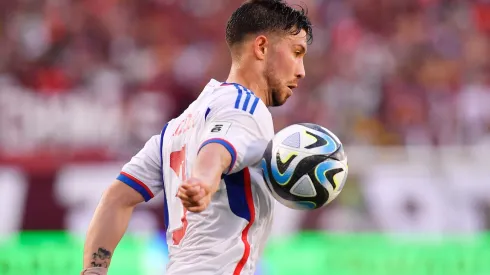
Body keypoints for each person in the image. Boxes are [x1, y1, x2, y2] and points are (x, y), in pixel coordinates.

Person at [81, 0, 312, 274]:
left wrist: (93, 270)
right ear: (261, 47)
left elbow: (115, 198)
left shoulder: (178, 126)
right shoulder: (246, 108)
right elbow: (217, 151)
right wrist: (203, 182)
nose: (301, 70)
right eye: (296, 53)